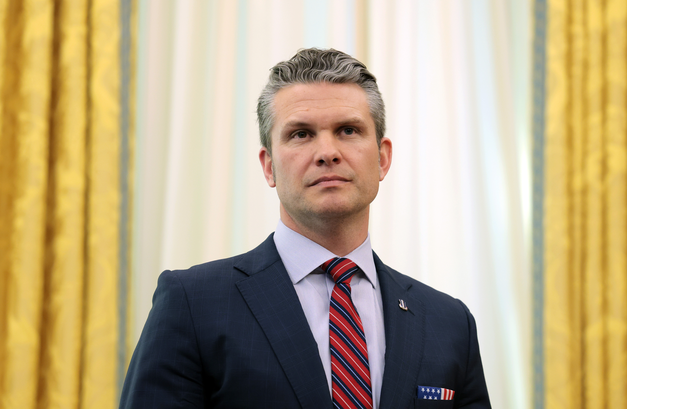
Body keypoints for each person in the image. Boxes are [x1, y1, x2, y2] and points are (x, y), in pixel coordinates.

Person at [120, 48, 491, 408]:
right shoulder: (192, 304)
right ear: (269, 166)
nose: (327, 151)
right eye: (301, 134)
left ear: (382, 158)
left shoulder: (450, 323)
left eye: (348, 130)